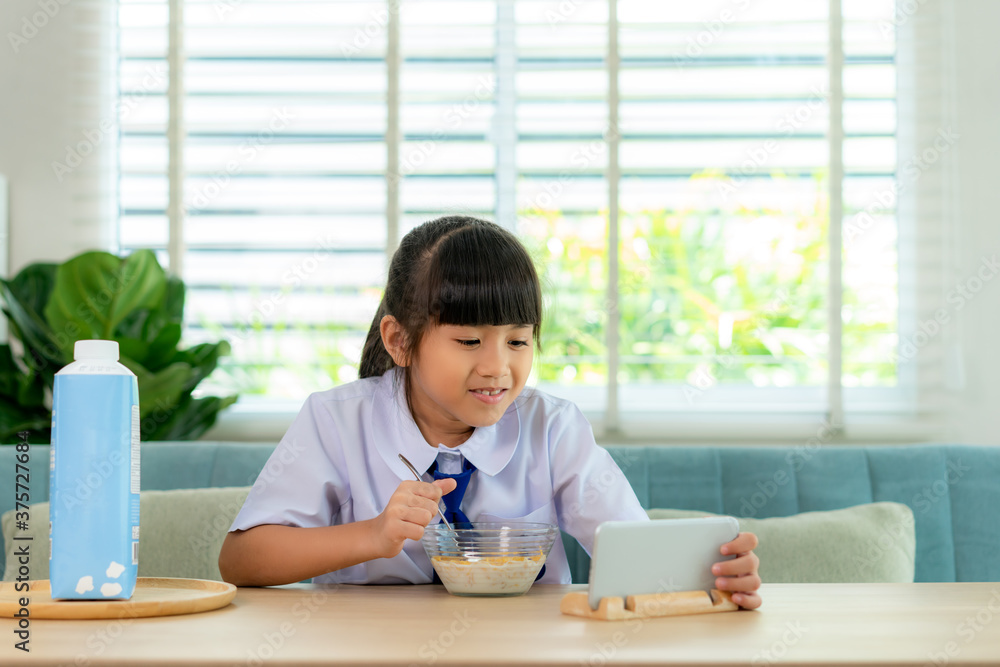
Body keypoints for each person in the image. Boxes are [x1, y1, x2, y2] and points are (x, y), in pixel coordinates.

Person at [218, 216, 761, 609]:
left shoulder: (553, 428)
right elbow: (240, 561)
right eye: (470, 340)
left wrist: (715, 575)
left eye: (518, 342)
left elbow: (636, 551)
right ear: (400, 340)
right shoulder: (336, 422)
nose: (498, 368)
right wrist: (372, 535)